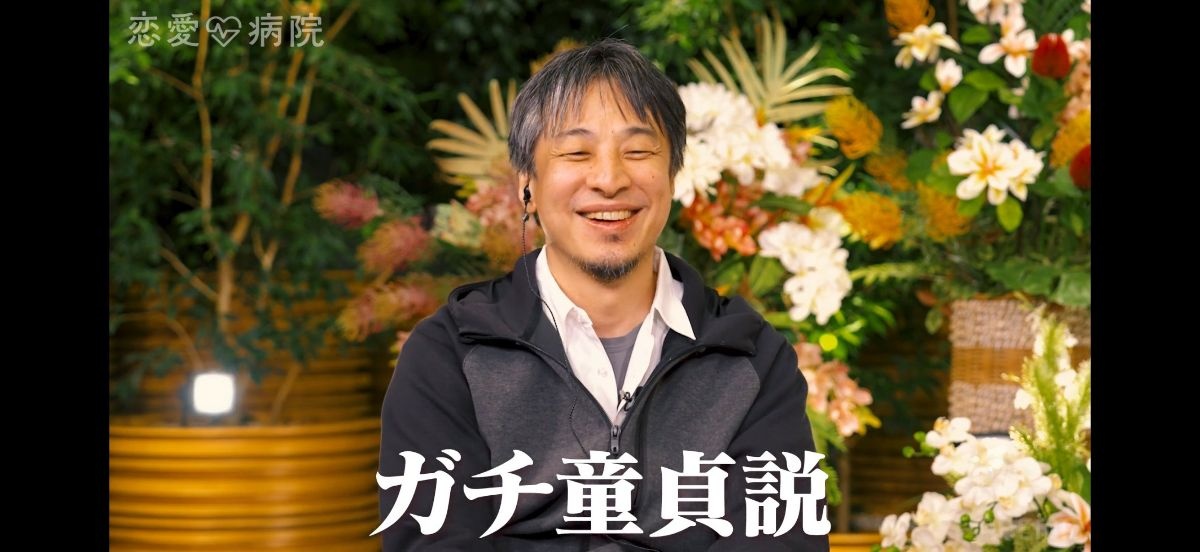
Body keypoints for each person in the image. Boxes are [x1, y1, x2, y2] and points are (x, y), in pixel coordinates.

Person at [377, 38, 828, 551]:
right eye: (576, 152)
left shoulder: (752, 357)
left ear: (673, 176)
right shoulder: (448, 356)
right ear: (527, 185)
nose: (609, 180)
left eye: (638, 151)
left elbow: (783, 541)